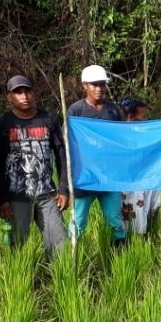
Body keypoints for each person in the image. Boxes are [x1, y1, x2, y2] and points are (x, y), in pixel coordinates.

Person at [0, 75, 68, 257]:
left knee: (60, 243)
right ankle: (20, 281)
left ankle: (61, 280)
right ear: (9, 97)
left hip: (47, 195)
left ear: (33, 93)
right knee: (18, 248)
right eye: (18, 92)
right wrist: (2, 199)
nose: (24, 96)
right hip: (16, 197)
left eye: (27, 91)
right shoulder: (3, 123)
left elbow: (61, 155)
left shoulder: (48, 119)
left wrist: (64, 189)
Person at [66, 64, 128, 246]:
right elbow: (68, 143)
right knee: (78, 222)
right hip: (84, 178)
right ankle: (72, 258)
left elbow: (122, 141)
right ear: (84, 85)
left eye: (101, 84)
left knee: (115, 221)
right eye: (94, 85)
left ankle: (120, 256)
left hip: (109, 178)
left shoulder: (114, 111)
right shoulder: (75, 111)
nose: (99, 89)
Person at [120, 98, 161, 236]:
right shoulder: (120, 135)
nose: (146, 120)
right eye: (143, 117)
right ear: (131, 117)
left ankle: (144, 240)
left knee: (147, 211)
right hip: (128, 183)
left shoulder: (147, 134)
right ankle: (128, 244)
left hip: (146, 180)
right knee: (130, 214)